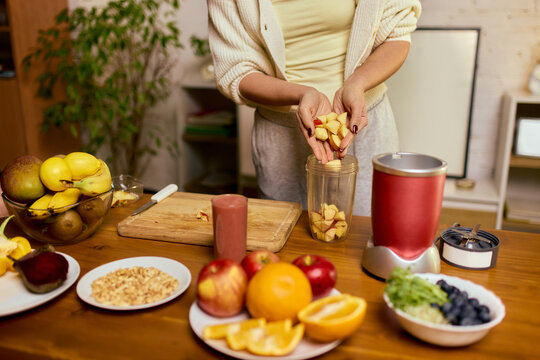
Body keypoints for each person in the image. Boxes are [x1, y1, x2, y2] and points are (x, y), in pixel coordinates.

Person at [207, 0, 421, 215]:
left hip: (365, 125)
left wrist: (357, 84)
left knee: (369, 234)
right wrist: (301, 94)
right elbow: (235, 71)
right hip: (282, 137)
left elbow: (397, 34)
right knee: (289, 241)